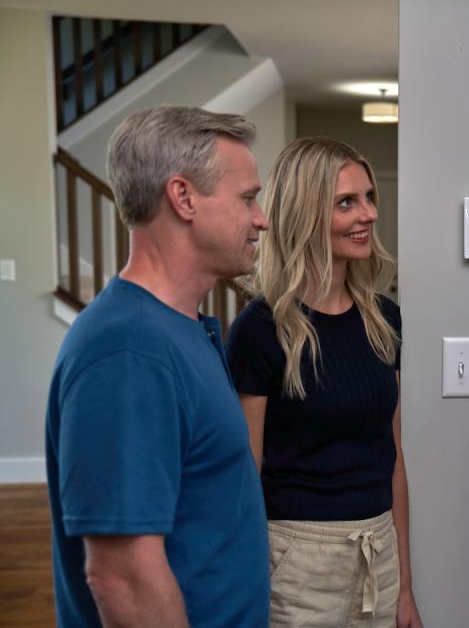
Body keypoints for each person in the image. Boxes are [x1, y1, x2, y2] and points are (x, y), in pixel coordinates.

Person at [45, 106, 270, 627]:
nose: (260, 218)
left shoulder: (178, 329)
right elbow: (123, 577)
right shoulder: (129, 351)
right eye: (247, 198)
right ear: (183, 197)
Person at [226, 138, 423, 628]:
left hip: (377, 552)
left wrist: (405, 587)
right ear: (307, 213)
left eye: (369, 197)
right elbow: (244, 475)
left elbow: (392, 458)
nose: (369, 215)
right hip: (295, 561)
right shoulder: (260, 329)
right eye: (346, 202)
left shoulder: (385, 319)